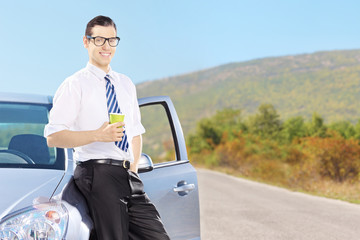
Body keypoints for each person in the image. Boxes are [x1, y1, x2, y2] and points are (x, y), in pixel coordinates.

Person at [44, 15, 170, 240]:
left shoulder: (125, 83)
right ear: (86, 42)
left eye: (112, 40)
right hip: (97, 172)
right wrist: (97, 135)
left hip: (127, 174)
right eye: (99, 40)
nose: (106, 46)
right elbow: (54, 137)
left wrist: (132, 169)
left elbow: (135, 132)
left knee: (158, 236)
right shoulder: (75, 84)